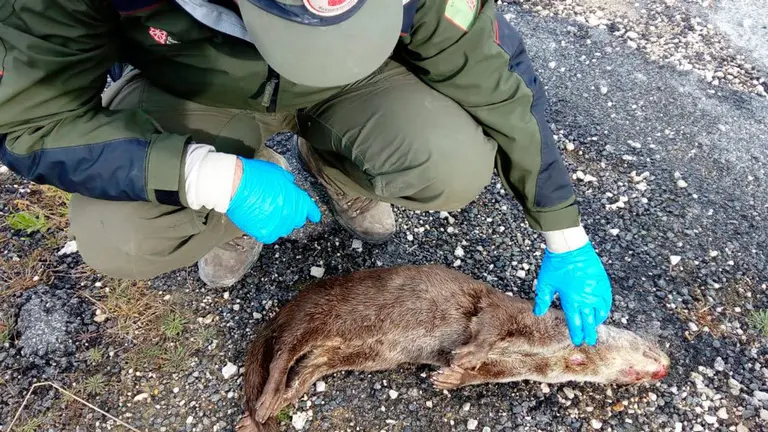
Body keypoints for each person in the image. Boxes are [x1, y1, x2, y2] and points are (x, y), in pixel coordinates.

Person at [0, 0, 611, 346]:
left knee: (449, 164)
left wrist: (566, 233)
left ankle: (337, 168)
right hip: (189, 88)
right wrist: (212, 178)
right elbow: (30, 120)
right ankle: (239, 193)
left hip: (354, 80)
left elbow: (500, 81)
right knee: (120, 237)